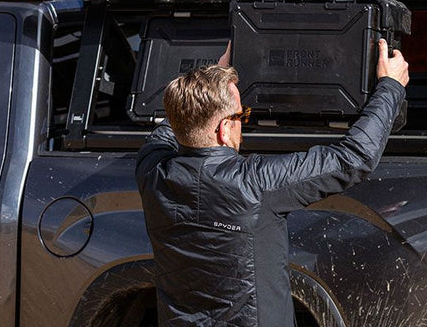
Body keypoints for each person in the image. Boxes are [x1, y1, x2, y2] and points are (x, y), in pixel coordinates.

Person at [135, 39, 409, 326]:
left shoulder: (151, 171)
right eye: (242, 115)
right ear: (224, 129)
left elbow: (175, 123)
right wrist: (390, 86)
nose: (244, 122)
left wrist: (207, 85)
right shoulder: (256, 184)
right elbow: (354, 157)